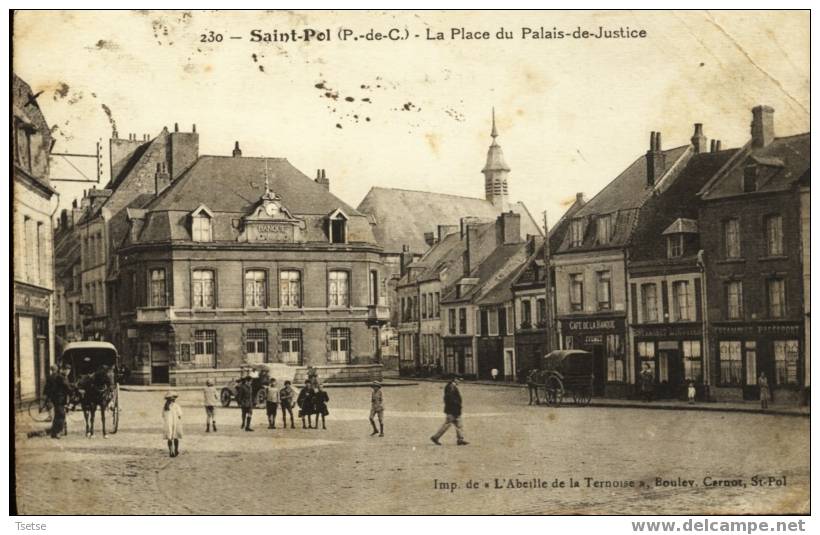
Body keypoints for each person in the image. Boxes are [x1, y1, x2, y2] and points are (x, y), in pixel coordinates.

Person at [430, 375, 468, 446]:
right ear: (455, 379)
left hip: (454, 409)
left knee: (459, 425)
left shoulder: (451, 386)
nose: (459, 381)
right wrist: (456, 406)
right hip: (452, 410)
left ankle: (460, 439)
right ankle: (435, 437)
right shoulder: (451, 387)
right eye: (459, 380)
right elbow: (450, 399)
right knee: (447, 425)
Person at [47, 365, 72, 439]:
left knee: (57, 415)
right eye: (67, 370)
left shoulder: (63, 377)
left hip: (60, 399)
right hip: (58, 399)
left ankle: (53, 433)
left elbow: (68, 385)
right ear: (63, 370)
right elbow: (67, 386)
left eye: (69, 370)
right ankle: (58, 432)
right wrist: (74, 390)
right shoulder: (61, 377)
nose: (68, 371)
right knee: (61, 415)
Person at [162, 391, 183, 458]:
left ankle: (171, 451)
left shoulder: (165, 407)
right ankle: (176, 450)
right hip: (175, 423)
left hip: (168, 424)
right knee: (176, 437)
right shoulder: (176, 406)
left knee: (169, 438)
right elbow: (180, 414)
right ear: (174, 399)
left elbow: (163, 415)